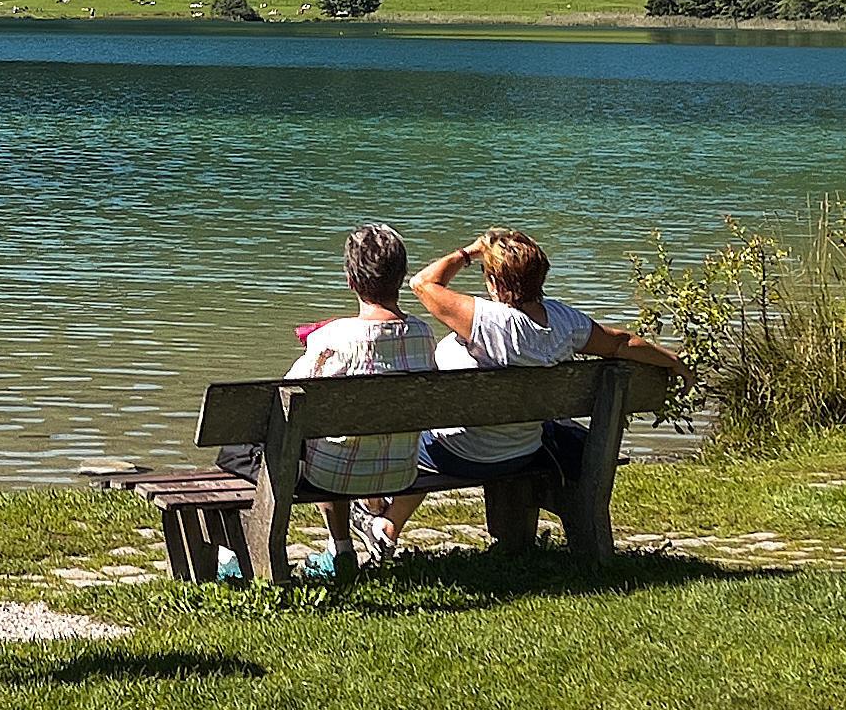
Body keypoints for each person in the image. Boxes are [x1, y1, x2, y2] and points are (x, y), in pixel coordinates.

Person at [379, 227, 681, 537]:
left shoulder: (487, 321)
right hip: (521, 451)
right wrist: (674, 362)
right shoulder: (565, 323)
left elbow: (422, 282)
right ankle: (388, 524)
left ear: (495, 282)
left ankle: (380, 517)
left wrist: (468, 252)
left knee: (401, 436)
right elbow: (620, 343)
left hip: (461, 453)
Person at [226, 223, 428, 575]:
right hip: (399, 468)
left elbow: (284, 397)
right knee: (340, 435)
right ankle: (344, 547)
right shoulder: (423, 334)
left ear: (351, 280)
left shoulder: (334, 337)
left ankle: (331, 550)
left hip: (333, 474)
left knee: (237, 451)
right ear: (401, 276)